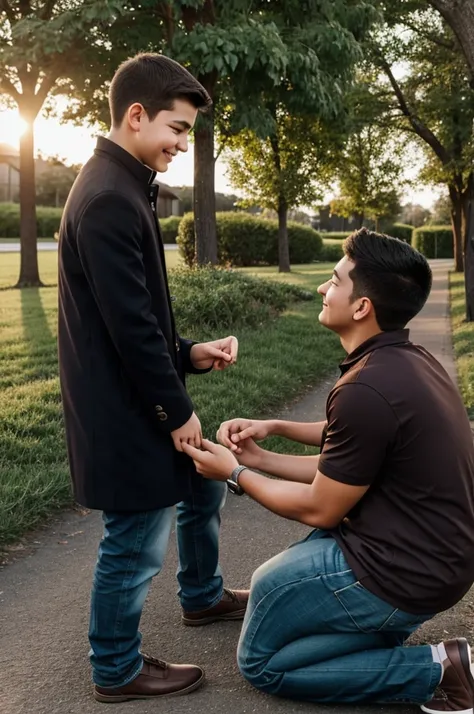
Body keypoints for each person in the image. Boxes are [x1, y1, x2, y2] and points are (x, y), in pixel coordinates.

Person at [183, 228, 474, 713]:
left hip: (404, 572)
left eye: (335, 280)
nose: (322, 288)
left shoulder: (367, 387)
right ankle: (367, 634)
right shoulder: (405, 360)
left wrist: (234, 473)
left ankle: (439, 671)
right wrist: (266, 443)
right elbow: (349, 449)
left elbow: (321, 506)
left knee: (262, 661)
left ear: (361, 307)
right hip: (433, 563)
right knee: (294, 619)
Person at [58, 53, 248, 703]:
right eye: (177, 127)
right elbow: (130, 331)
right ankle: (115, 668)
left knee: (201, 492)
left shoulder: (122, 184)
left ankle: (201, 595)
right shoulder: (109, 198)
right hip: (126, 410)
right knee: (134, 539)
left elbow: (139, 316)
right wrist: (176, 410)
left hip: (140, 396)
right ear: (135, 116)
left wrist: (190, 352)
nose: (180, 143)